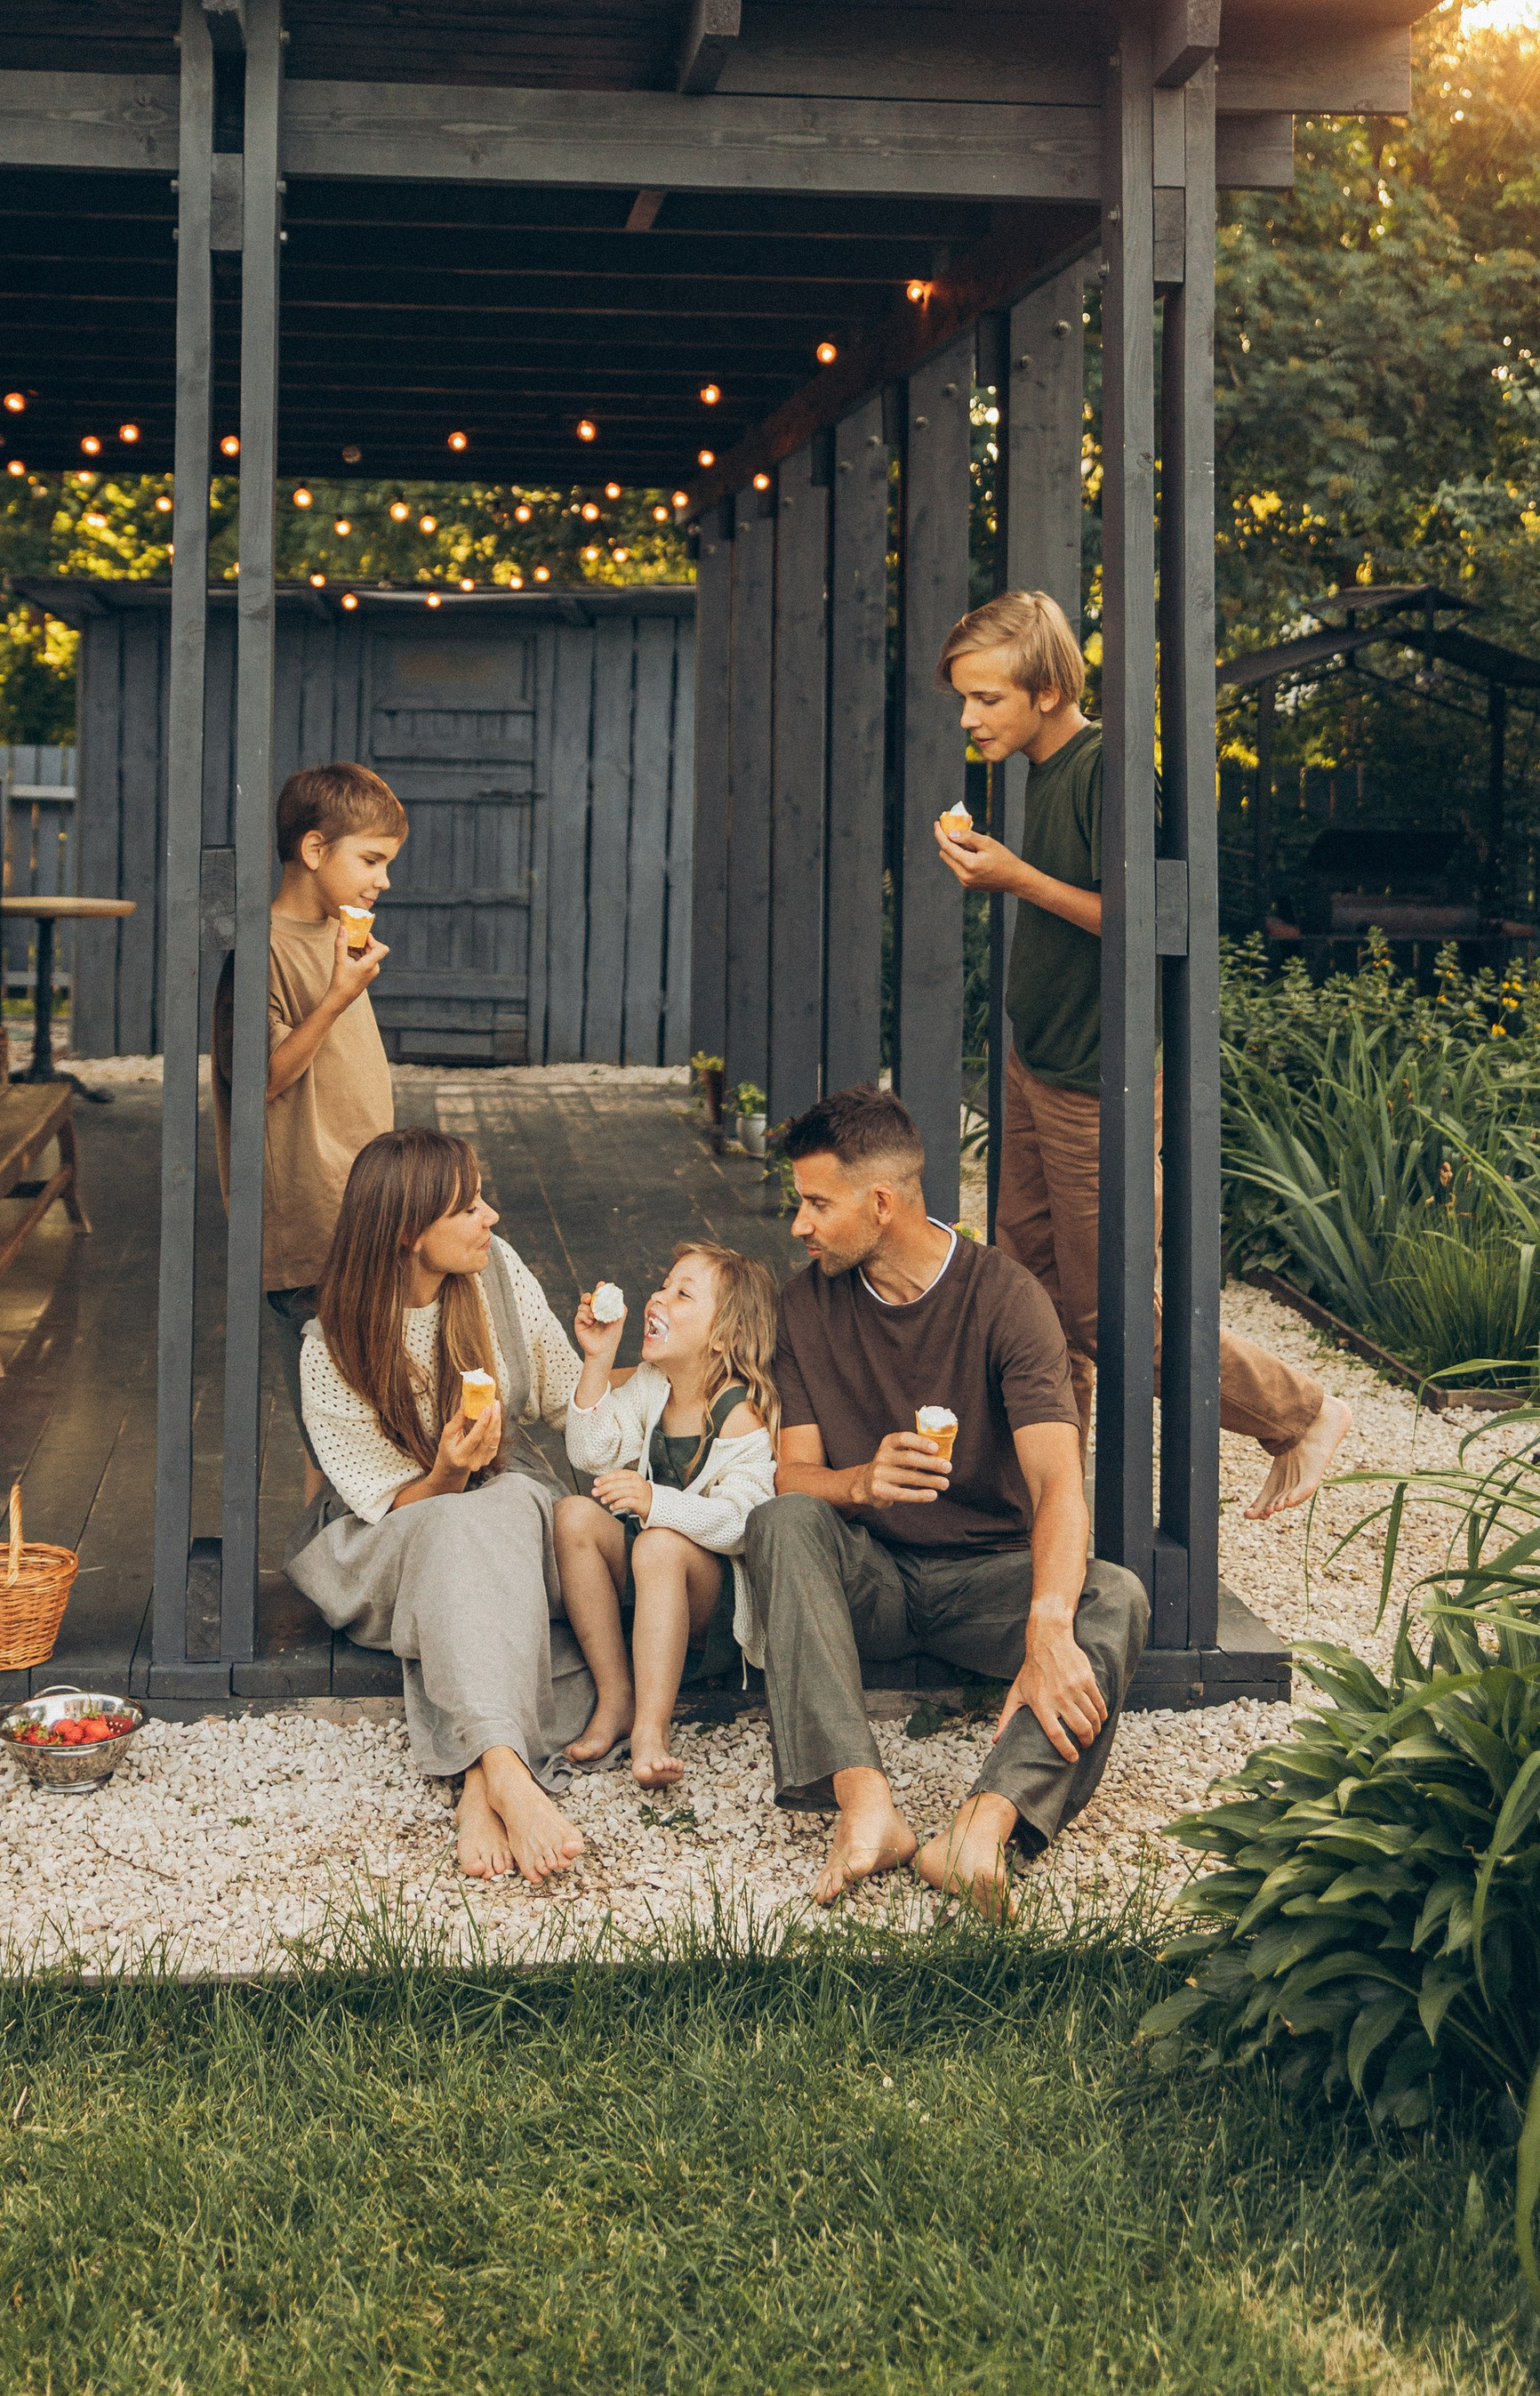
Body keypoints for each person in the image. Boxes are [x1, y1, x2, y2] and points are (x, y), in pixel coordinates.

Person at [934, 590, 1350, 1520]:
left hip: (1098, 1083)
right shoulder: (1046, 766)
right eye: (964, 699)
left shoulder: (1111, 767)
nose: (968, 718)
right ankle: (1051, 1517)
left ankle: (1302, 1410)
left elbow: (1152, 926)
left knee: (1104, 1314)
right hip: (1038, 1063)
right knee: (1032, 1306)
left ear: (1045, 690)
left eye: (986, 699)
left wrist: (1013, 876)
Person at [743, 1087, 1147, 1914]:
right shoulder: (805, 1303)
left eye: (817, 1203)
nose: (800, 1225)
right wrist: (857, 1485)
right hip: (875, 1577)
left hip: (985, 1580)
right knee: (781, 1522)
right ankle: (867, 1809)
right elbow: (795, 1477)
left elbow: (1058, 1484)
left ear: (881, 1203)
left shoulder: (1006, 1299)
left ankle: (981, 1827)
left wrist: (1045, 1627)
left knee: (1114, 1597)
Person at [285, 1124, 597, 1886]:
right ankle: (511, 1774)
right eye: (467, 1208)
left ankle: (485, 1781)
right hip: (388, 1542)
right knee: (462, 1527)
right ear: (404, 1232)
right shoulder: (331, 1344)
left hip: (501, 1512)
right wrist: (449, 1473)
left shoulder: (498, 1276)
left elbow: (563, 1398)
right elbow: (388, 1507)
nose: (490, 1217)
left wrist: (611, 1361)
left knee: (489, 1520)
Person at [212, 760, 407, 1468]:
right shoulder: (260, 950)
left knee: (369, 1423)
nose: (383, 879)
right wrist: (335, 997)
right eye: (372, 859)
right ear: (315, 850)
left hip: (366, 1210)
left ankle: (340, 1560)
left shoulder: (338, 933)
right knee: (341, 1434)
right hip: (311, 1227)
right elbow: (256, 1077)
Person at [555, 1241, 779, 1789]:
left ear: (724, 1336)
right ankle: (617, 1697)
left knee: (655, 1543)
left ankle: (652, 1731)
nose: (658, 1298)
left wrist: (658, 1504)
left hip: (716, 1598)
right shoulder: (656, 1386)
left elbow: (744, 1524)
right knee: (573, 1516)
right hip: (656, 1576)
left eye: (683, 1294)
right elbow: (590, 1453)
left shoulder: (740, 1415)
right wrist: (599, 1359)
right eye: (664, 1285)